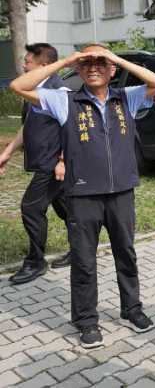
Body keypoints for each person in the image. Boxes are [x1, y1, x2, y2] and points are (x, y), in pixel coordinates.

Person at [9, 44, 155, 349]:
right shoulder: (65, 101)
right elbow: (19, 86)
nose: (93, 67)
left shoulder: (126, 98)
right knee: (83, 261)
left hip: (121, 193)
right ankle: (86, 321)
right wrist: (68, 60)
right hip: (82, 195)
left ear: (111, 70)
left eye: (100, 63)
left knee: (126, 254)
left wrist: (117, 58)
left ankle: (132, 309)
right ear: (79, 70)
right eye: (86, 63)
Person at [0, 43, 71, 284]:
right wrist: (8, 152)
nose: (24, 64)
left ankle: (35, 262)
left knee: (31, 208)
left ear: (43, 65)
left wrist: (62, 160)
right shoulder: (34, 89)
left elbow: (69, 127)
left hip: (52, 165)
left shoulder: (57, 89)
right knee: (66, 209)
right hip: (43, 161)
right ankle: (82, 247)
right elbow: (28, 124)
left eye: (28, 61)